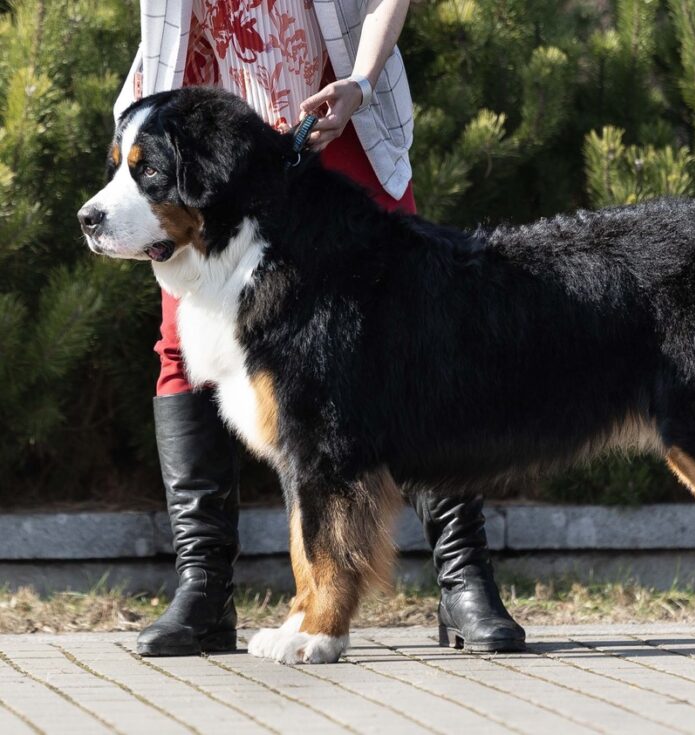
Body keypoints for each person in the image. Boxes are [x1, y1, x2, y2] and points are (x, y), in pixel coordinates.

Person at [114, 0, 526, 657]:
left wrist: (360, 81)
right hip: (201, 139)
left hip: (339, 109)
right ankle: (205, 589)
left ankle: (463, 577)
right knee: (179, 348)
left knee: (418, 324)